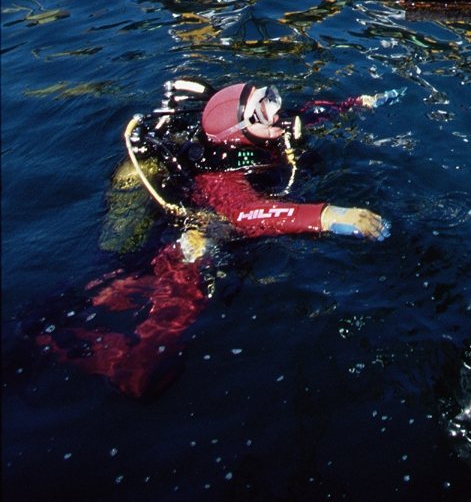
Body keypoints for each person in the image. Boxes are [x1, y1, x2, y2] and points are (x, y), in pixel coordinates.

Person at [37, 75, 390, 398]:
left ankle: (90, 303)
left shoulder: (263, 133)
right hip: (198, 229)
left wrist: (357, 103)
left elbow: (308, 113)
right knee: (190, 262)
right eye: (263, 108)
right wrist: (330, 215)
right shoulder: (222, 180)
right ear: (240, 132)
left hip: (215, 203)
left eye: (270, 97)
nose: (276, 109)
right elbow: (249, 215)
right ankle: (129, 362)